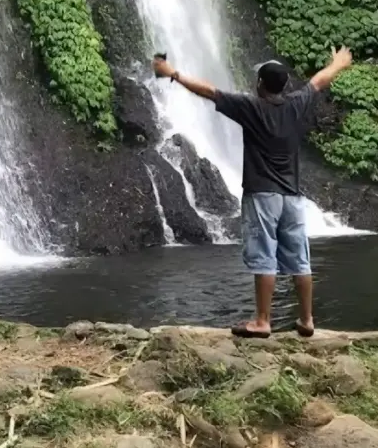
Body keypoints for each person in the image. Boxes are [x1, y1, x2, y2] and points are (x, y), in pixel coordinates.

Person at [152, 46, 354, 339]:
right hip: (293, 197)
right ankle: (307, 319)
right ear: (285, 86)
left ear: (260, 84)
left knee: (264, 257)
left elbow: (209, 91)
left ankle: (262, 320)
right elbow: (319, 81)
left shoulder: (251, 107)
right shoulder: (296, 103)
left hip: (262, 194)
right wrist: (338, 64)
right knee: (300, 259)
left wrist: (173, 74)